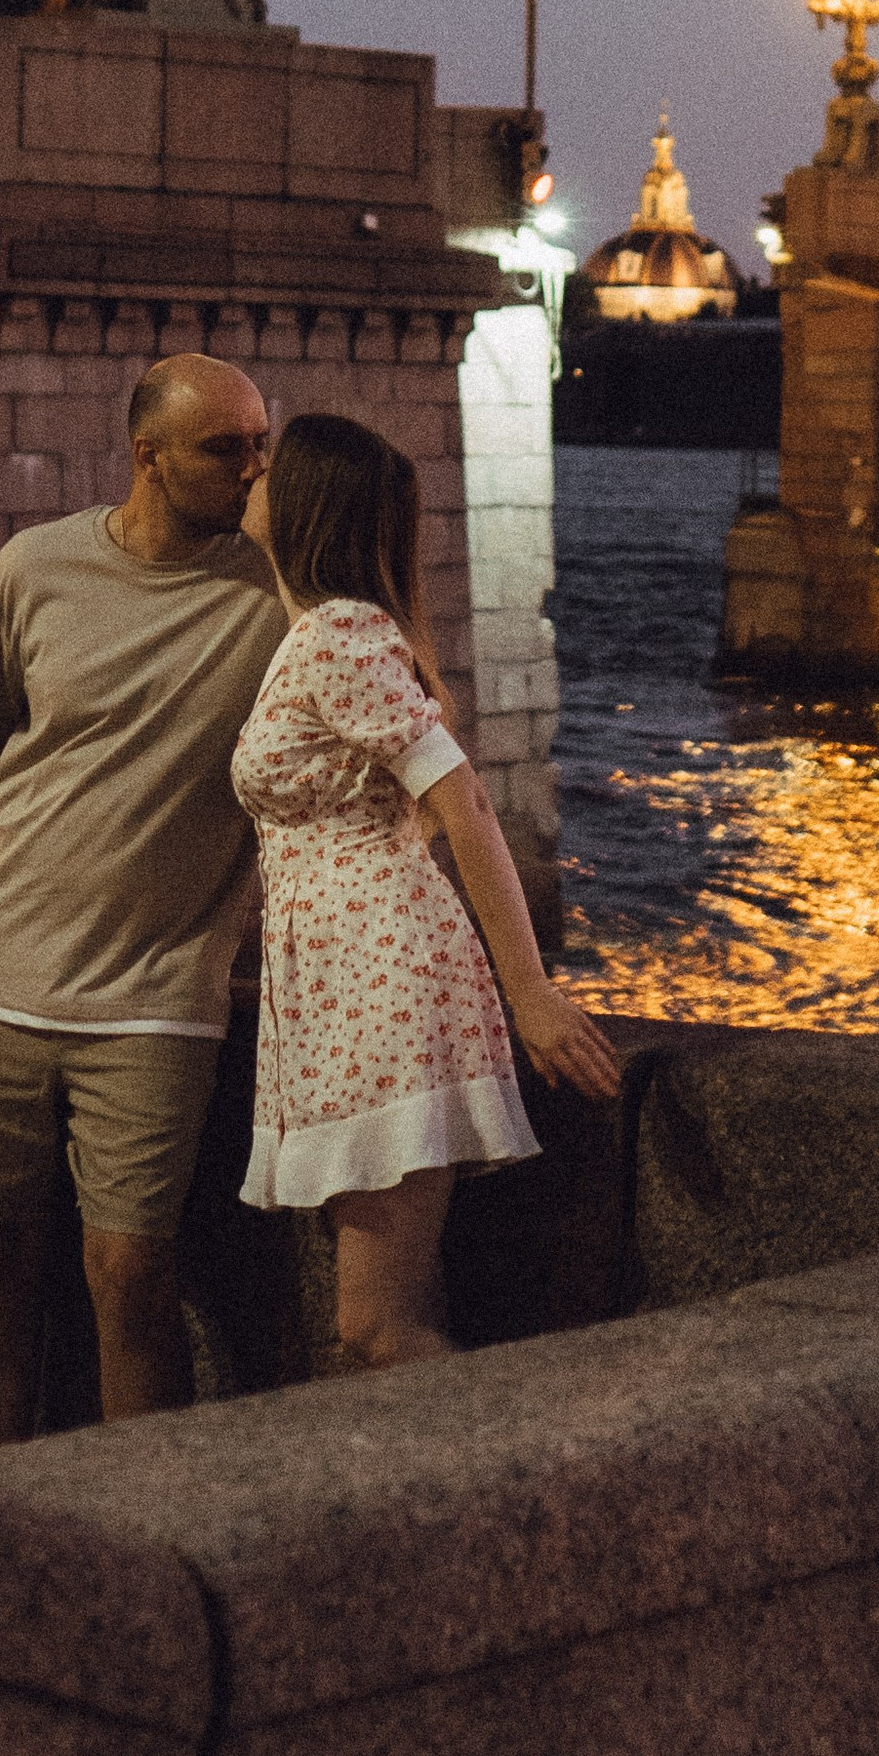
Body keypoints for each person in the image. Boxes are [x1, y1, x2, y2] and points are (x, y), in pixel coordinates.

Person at [0, 352, 282, 1447]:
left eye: (262, 444)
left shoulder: (278, 591)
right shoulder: (33, 567)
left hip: (157, 993)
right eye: (224, 450)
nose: (252, 471)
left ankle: (136, 1521)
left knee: (132, 1271)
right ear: (146, 458)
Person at [235, 409, 621, 1370]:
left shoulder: (340, 637)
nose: (249, 473)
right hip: (336, 995)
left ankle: (514, 1490)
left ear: (305, 503)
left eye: (268, 465)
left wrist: (530, 994)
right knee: (398, 1308)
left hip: (382, 988)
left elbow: (467, 809)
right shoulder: (318, 637)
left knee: (375, 1327)